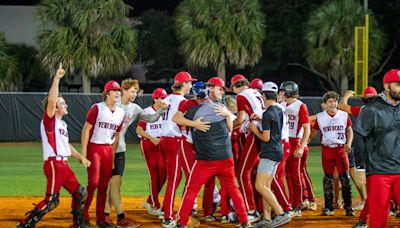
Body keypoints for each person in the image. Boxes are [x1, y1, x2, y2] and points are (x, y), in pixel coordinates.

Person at [17, 64, 91, 228]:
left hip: (63, 165)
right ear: (55, 108)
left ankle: (78, 225)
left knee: (80, 193)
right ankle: (24, 224)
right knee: (51, 201)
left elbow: (66, 146)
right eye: (62, 103)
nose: (66, 105)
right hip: (54, 164)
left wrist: (81, 158)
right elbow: (51, 100)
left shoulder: (62, 125)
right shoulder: (49, 121)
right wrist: (57, 78)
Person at [175, 82, 251, 228]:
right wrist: (227, 116)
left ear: (196, 94)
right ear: (207, 92)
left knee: (191, 190)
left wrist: (194, 124)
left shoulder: (193, 111)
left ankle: (181, 223)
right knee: (233, 190)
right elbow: (231, 127)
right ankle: (244, 221)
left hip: (206, 160)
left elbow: (176, 119)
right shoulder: (221, 107)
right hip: (226, 158)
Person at [104, 80, 167, 227]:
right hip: (105, 147)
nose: (135, 94)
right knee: (110, 183)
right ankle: (112, 216)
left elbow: (150, 118)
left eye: (136, 92)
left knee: (115, 183)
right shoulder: (113, 105)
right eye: (132, 91)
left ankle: (107, 215)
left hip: (119, 148)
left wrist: (161, 111)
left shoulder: (135, 108)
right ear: (124, 91)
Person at [159, 71, 209, 227]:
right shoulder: (181, 100)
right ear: (184, 83)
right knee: (176, 178)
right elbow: (180, 121)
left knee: (177, 178)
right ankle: (168, 215)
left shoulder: (167, 98)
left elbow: (159, 109)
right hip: (174, 139)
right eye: (189, 82)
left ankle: (168, 210)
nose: (191, 85)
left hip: (165, 138)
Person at [354, 69, 400, 228]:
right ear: (387, 86)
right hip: (379, 172)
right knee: (379, 221)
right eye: (398, 85)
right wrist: (359, 167)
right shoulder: (371, 109)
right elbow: (359, 137)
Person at [81, 80, 125, 228]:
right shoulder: (97, 108)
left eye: (119, 90)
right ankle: (83, 214)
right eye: (115, 90)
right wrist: (84, 151)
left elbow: (116, 136)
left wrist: (112, 157)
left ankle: (101, 219)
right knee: (93, 183)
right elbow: (86, 129)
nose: (118, 93)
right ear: (107, 93)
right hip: (94, 147)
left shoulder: (121, 112)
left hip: (107, 150)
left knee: (103, 186)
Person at [249, 82, 292, 228]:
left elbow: (265, 137)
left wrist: (254, 130)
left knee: (260, 186)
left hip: (269, 152)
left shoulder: (268, 113)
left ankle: (280, 213)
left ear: (264, 96)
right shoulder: (278, 109)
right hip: (278, 150)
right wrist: (262, 119)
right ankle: (267, 218)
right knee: (266, 186)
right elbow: (273, 122)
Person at [310, 91, 354, 216]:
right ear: (325, 104)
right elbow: (313, 130)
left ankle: (349, 207)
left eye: (335, 101)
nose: (333, 103)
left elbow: (349, 130)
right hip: (327, 149)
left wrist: (349, 143)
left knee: (345, 178)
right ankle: (329, 208)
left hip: (341, 149)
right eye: (330, 101)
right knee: (328, 179)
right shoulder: (320, 117)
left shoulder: (344, 115)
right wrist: (307, 140)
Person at [231, 74, 265, 223]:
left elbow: (240, 118)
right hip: (264, 132)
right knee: (255, 171)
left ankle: (251, 210)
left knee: (242, 172)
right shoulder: (256, 92)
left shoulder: (241, 96)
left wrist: (225, 127)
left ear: (235, 86)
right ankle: (261, 207)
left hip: (254, 133)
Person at [279, 81, 312, 216]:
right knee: (285, 175)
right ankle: (290, 203)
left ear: (287, 92)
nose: (280, 93)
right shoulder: (281, 105)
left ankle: (297, 205)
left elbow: (307, 128)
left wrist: (302, 146)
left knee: (295, 175)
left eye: (282, 91)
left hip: (295, 141)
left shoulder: (300, 106)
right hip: (284, 141)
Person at [136, 88, 168, 216]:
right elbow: (139, 130)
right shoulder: (147, 111)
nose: (163, 101)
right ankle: (155, 205)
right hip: (149, 143)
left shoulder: (167, 111)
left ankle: (149, 200)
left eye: (164, 98)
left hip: (162, 143)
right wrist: (151, 138)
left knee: (164, 173)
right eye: (161, 98)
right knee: (154, 175)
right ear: (155, 99)